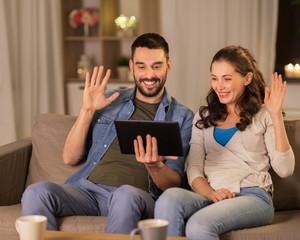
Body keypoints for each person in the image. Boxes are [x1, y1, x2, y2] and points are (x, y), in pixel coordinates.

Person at [21, 33, 194, 234]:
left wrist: (154, 165)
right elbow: (69, 157)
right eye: (141, 66)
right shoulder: (110, 101)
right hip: (87, 191)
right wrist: (87, 110)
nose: (149, 75)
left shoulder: (182, 116)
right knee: (36, 192)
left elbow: (173, 184)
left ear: (168, 66)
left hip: (135, 196)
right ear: (131, 67)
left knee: (125, 194)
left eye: (156, 66)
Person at [154, 45, 295, 240]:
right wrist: (211, 193)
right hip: (211, 194)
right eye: (214, 78)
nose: (219, 86)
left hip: (252, 196)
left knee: (198, 225)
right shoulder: (203, 117)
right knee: (167, 200)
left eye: (227, 79)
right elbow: (193, 167)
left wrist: (276, 115)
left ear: (247, 78)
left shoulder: (264, 115)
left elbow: (285, 169)